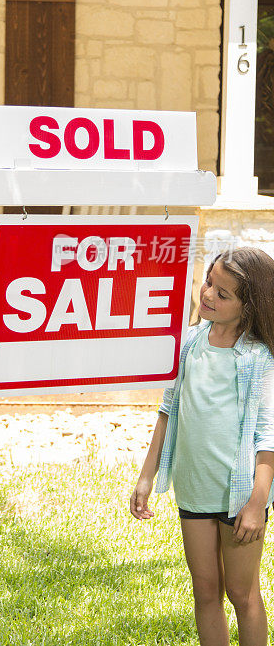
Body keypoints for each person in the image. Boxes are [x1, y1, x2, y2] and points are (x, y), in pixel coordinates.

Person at [131, 247, 274, 646]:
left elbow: (268, 437)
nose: (208, 294)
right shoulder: (188, 343)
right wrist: (147, 477)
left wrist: (256, 503)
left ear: (249, 308)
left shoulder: (258, 359)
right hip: (194, 490)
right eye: (209, 282)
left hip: (241, 497)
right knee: (206, 593)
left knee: (242, 595)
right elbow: (168, 410)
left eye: (223, 293)